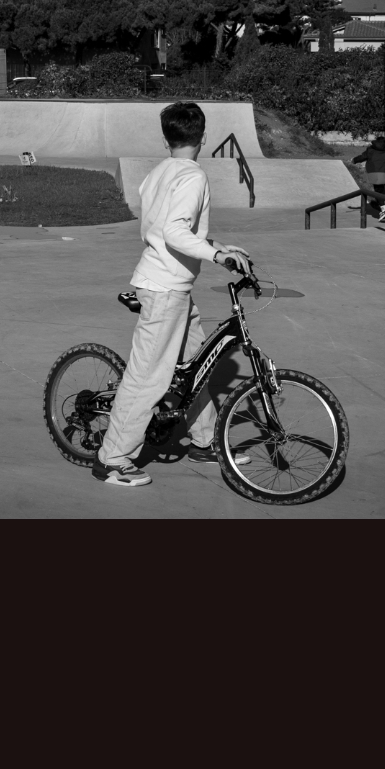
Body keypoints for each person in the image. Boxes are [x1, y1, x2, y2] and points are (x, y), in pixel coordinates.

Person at [93, 100, 253, 488]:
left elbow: (168, 230)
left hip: (170, 287)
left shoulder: (158, 172)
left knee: (192, 371)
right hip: (164, 290)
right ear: (202, 136)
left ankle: (203, 442)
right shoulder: (193, 176)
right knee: (148, 379)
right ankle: (112, 460)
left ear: (167, 138)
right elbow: (175, 233)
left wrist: (220, 245)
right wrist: (215, 255)